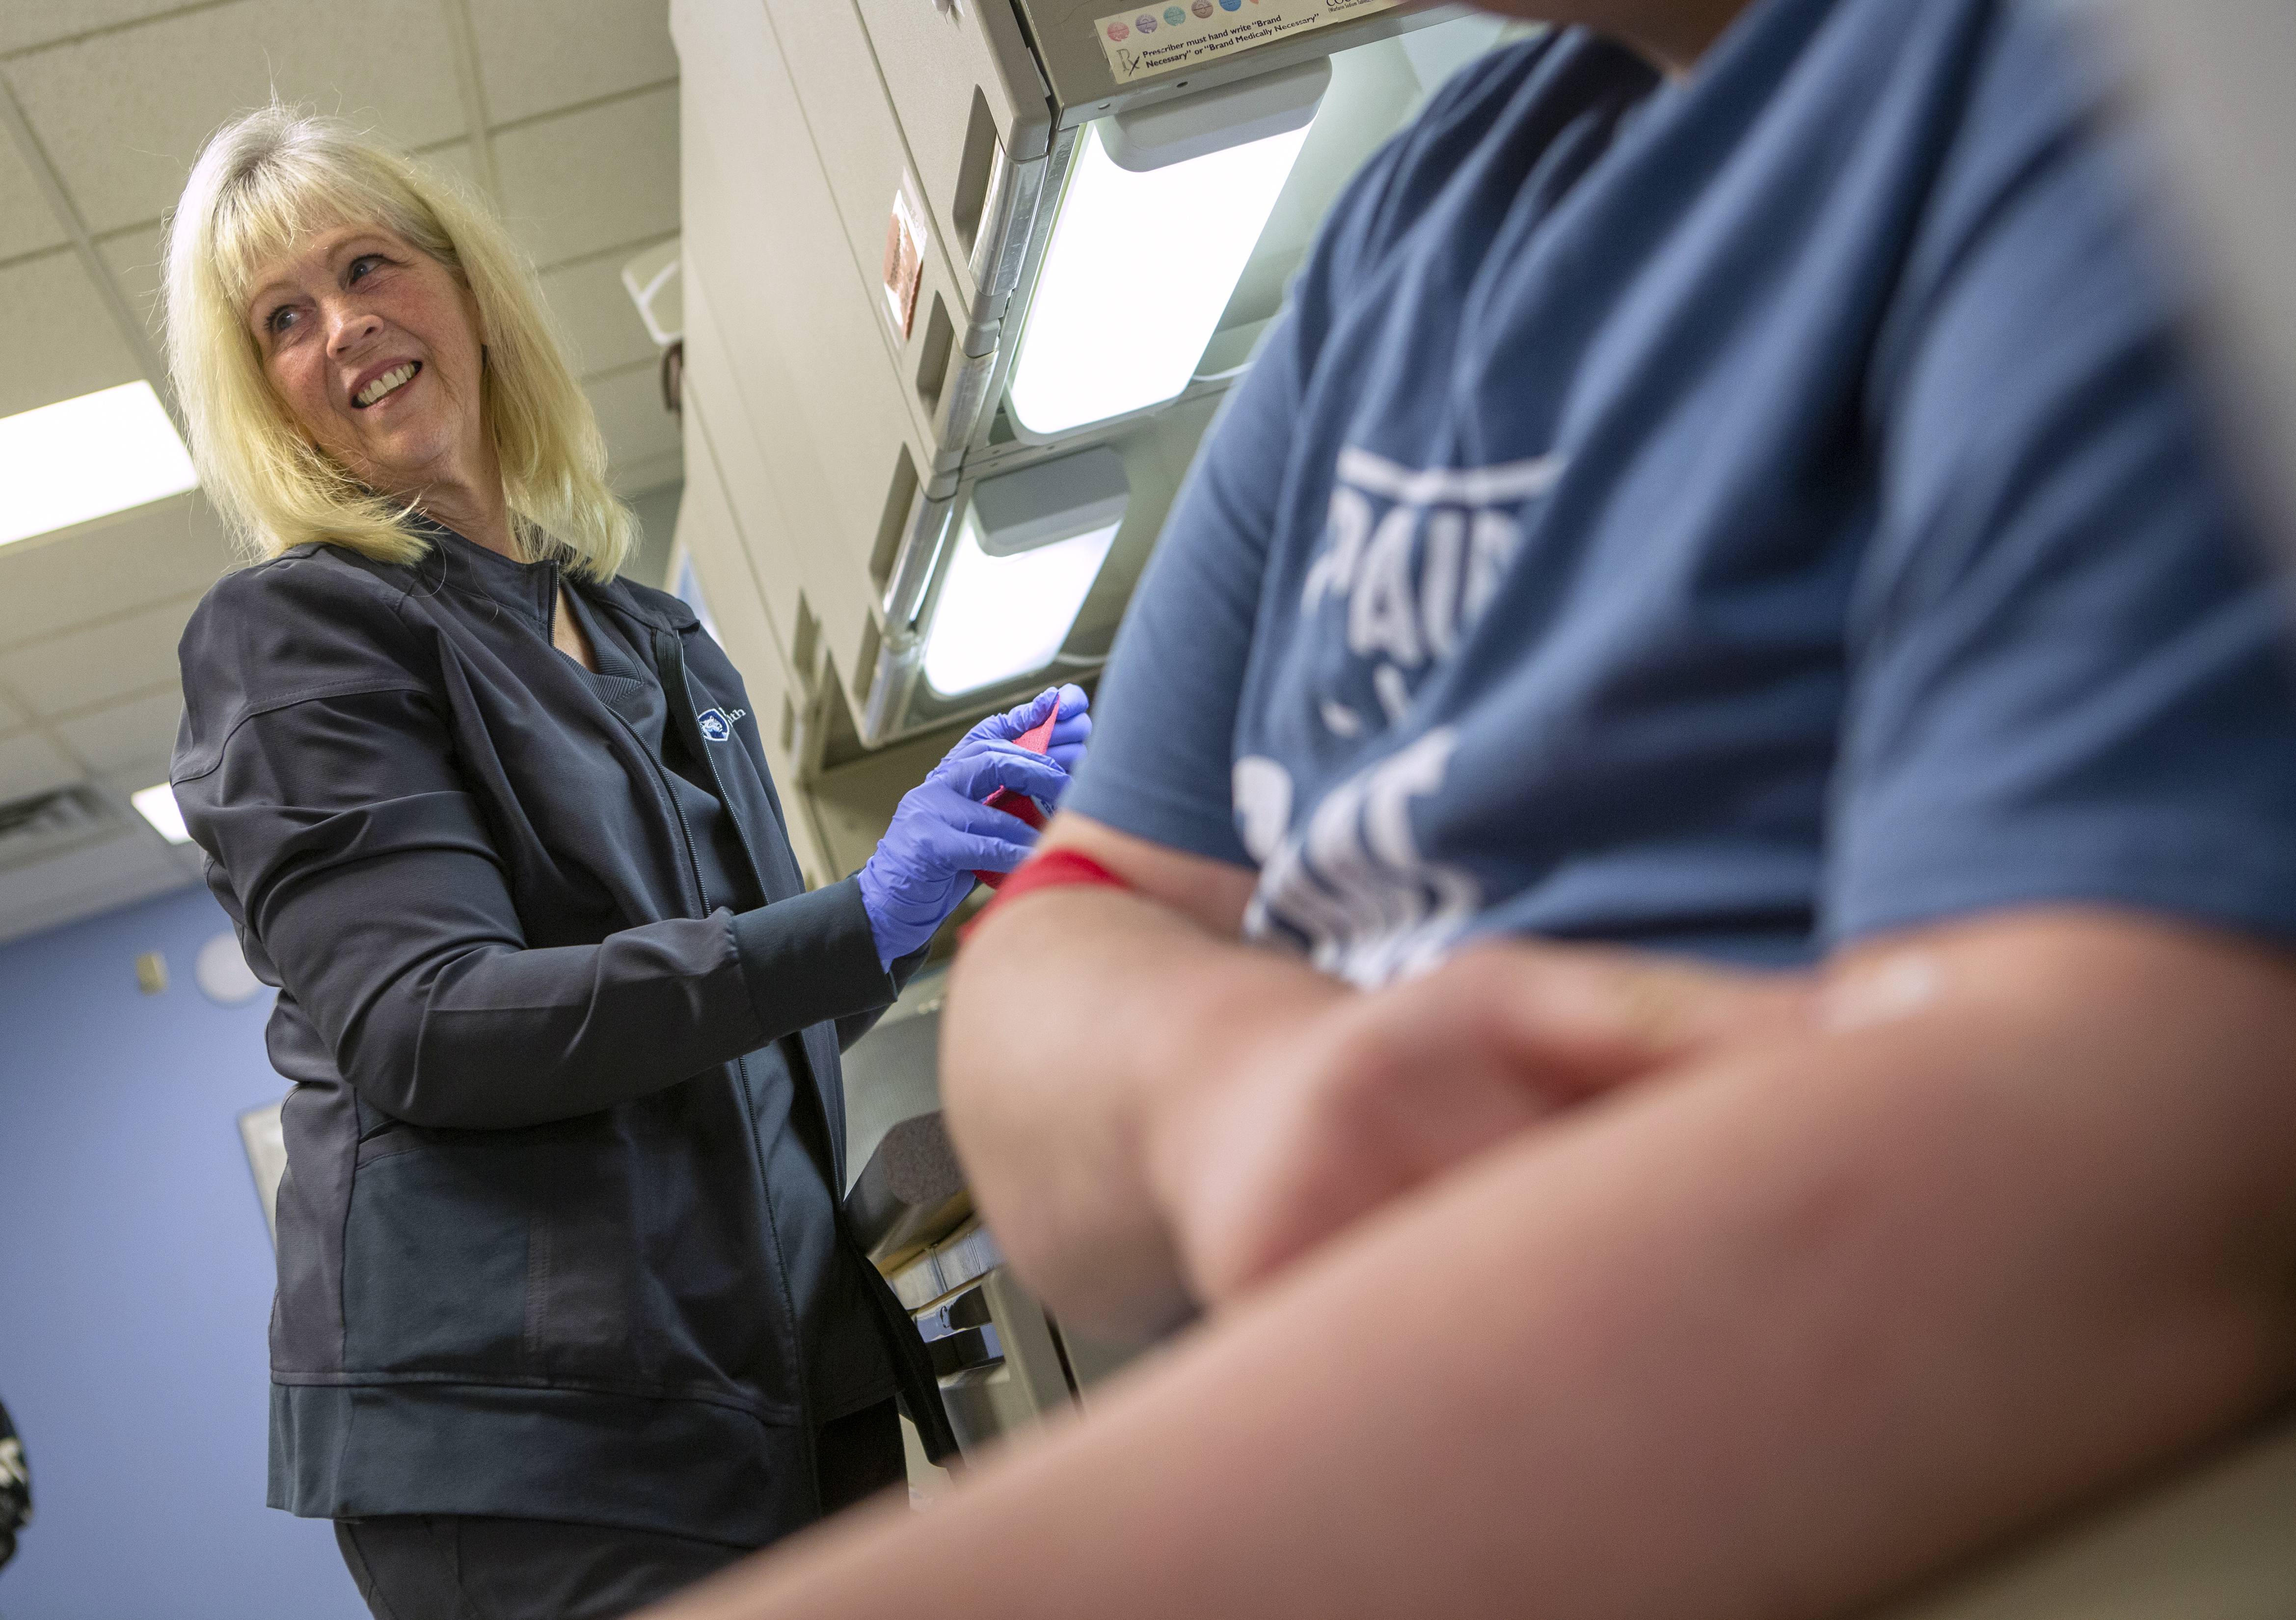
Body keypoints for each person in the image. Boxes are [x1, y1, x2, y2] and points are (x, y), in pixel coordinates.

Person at [639, 0, 2296, 1617]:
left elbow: (2105, 1176)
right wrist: (1250, 1093)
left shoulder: (2103, 76)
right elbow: (1047, 981)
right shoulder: (1418, 235)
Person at [162, 105, 1088, 1619]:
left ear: (463, 290)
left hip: (786, 1376)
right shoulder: (298, 638)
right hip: (551, 1448)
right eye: (283, 319)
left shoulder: (652, 632)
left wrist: (946, 872)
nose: (346, 328)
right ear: (265, 397)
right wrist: (859, 912)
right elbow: (429, 1020)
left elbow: (747, 1027)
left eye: (369, 264)